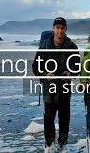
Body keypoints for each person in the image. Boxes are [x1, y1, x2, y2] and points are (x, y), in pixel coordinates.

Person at [32, 17, 80, 152]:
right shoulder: (44, 45)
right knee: (48, 120)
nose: (60, 31)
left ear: (66, 29)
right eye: (57, 28)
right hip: (49, 89)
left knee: (64, 120)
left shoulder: (72, 46)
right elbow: (35, 67)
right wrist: (45, 75)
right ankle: (49, 146)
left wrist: (71, 73)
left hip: (64, 88)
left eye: (62, 28)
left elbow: (77, 68)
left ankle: (63, 146)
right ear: (53, 28)